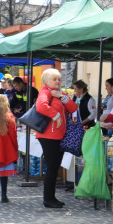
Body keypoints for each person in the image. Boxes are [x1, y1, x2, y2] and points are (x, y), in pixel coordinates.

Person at [34, 69, 78, 209]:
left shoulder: (59, 93)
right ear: (46, 81)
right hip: (48, 136)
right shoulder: (45, 91)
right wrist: (56, 115)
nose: (57, 81)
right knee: (52, 167)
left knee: (54, 167)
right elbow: (41, 106)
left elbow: (73, 107)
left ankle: (51, 197)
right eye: (54, 79)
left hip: (58, 136)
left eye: (59, 79)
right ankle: (48, 199)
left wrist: (60, 97)